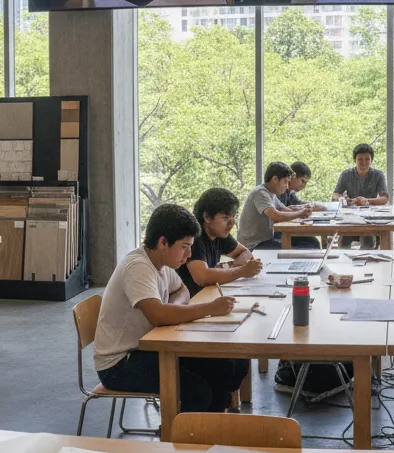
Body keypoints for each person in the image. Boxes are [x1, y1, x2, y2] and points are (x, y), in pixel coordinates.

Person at [93, 203, 247, 414]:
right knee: (198, 392)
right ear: (163, 242)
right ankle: (183, 438)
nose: (189, 254)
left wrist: (172, 310)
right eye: (184, 247)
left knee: (223, 366)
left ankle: (212, 429)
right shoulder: (138, 267)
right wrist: (210, 308)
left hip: (150, 348)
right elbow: (158, 315)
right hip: (120, 363)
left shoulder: (161, 262)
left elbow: (181, 290)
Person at [178, 187, 262, 297]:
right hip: (189, 300)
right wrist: (241, 271)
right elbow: (202, 277)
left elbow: (246, 254)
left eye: (233, 216)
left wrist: (230, 267)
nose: (231, 223)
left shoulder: (220, 234)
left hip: (207, 294)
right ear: (207, 217)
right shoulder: (194, 236)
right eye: (225, 218)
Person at [236, 161, 313, 251]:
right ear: (275, 179)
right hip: (253, 245)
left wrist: (304, 209)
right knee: (293, 251)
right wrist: (300, 213)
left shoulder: (271, 193)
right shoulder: (261, 193)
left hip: (266, 241)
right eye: (285, 182)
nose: (287, 186)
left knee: (311, 243)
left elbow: (284, 209)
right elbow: (276, 216)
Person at [333, 143, 389, 248]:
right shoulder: (346, 174)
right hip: (350, 217)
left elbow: (384, 198)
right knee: (343, 243)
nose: (364, 162)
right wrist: (343, 199)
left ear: (371, 159)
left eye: (367, 159)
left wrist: (367, 201)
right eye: (360, 159)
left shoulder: (378, 175)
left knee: (368, 243)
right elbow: (336, 194)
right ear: (355, 160)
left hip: (370, 217)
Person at [280, 161, 325, 249]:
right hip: (275, 235)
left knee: (313, 242)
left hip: (284, 231)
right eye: (302, 181)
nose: (304, 186)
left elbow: (299, 204)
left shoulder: (290, 192)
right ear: (293, 176)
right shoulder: (278, 189)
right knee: (310, 245)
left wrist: (312, 206)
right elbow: (281, 210)